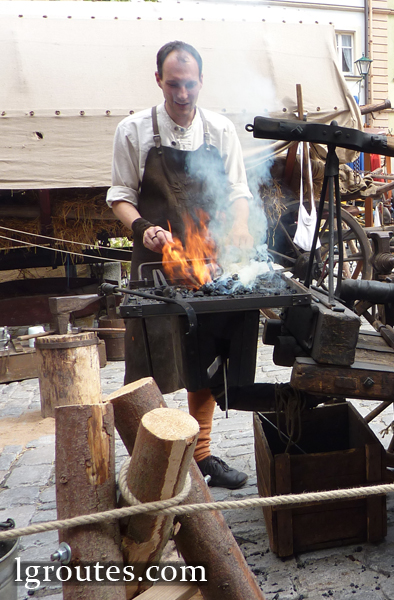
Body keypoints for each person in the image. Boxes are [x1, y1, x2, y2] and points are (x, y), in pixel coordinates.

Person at [107, 41, 251, 488]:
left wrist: (241, 227)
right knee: (154, 358)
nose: (183, 93)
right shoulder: (134, 131)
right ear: (158, 81)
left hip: (208, 266)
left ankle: (202, 455)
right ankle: (155, 462)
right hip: (155, 264)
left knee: (204, 357)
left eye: (190, 84)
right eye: (174, 84)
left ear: (201, 81)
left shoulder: (220, 130)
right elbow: (120, 196)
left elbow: (237, 193)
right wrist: (142, 228)